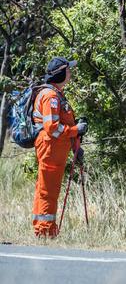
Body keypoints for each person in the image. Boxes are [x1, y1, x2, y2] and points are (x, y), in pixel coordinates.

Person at [32, 57, 88, 237]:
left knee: (46, 189)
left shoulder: (55, 94)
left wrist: (75, 147)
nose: (70, 73)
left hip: (54, 149)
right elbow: (52, 128)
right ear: (61, 73)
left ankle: (43, 229)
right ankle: (45, 232)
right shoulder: (50, 96)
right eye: (68, 70)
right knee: (48, 190)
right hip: (50, 148)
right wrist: (75, 130)